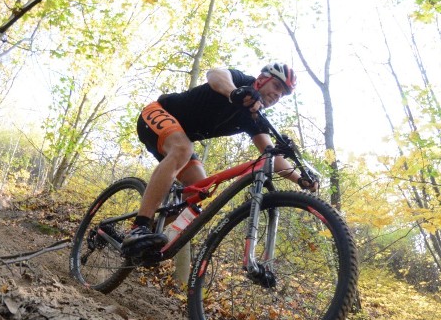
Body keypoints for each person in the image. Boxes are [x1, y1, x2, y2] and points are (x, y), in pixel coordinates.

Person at [122, 62, 317, 258]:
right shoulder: (241, 83)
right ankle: (139, 227)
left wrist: (301, 179)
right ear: (262, 79)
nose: (278, 95)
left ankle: (149, 237)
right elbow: (215, 75)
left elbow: (271, 155)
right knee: (183, 149)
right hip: (158, 113)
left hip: (179, 140)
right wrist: (234, 93)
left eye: (282, 93)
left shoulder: (253, 117)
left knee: (199, 191)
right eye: (276, 86)